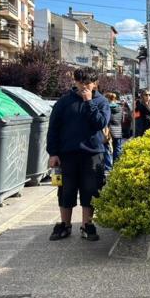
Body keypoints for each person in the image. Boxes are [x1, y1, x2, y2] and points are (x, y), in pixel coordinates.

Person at [46, 67, 111, 242]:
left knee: (91, 190)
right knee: (66, 190)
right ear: (75, 82)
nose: (84, 86)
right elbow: (53, 128)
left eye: (88, 83)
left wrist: (89, 102)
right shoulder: (64, 102)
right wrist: (53, 153)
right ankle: (64, 224)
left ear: (95, 83)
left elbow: (100, 123)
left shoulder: (102, 102)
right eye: (80, 82)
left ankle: (87, 225)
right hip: (67, 154)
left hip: (93, 153)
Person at [104, 92, 124, 172]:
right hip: (118, 129)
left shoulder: (106, 108)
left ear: (108, 99)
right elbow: (122, 119)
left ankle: (108, 167)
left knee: (107, 148)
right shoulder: (120, 107)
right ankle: (117, 166)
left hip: (109, 130)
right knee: (117, 148)